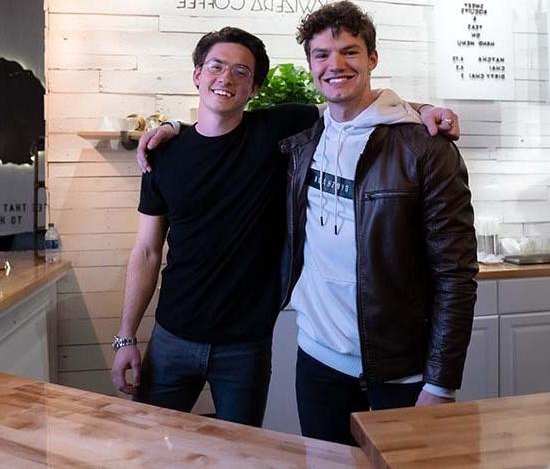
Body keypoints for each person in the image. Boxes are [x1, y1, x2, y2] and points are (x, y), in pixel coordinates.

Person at [112, 24, 460, 427]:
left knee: (243, 455)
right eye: (216, 66)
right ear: (197, 74)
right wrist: (125, 337)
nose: (226, 78)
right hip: (171, 337)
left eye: (241, 72)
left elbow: (357, 103)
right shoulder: (163, 154)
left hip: (245, 345)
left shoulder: (277, 132)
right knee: (150, 445)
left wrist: (424, 110)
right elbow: (147, 251)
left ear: (255, 87)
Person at [279, 0, 478, 445]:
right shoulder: (304, 137)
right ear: (310, 63)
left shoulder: (423, 147)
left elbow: (456, 272)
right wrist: (172, 128)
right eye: (322, 55)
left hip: (399, 369)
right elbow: (225, 122)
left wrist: (441, 383)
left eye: (350, 51)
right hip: (317, 359)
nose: (336, 65)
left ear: (372, 58)